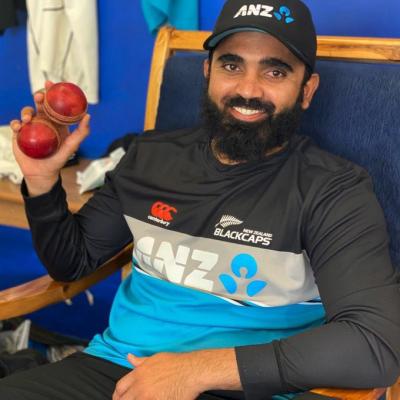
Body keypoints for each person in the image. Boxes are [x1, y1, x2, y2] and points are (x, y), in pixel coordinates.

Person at [2, 0, 400, 398]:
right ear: (208, 71)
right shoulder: (149, 157)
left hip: (249, 388)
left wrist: (196, 370)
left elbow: (373, 344)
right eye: (232, 65)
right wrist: (42, 181)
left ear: (306, 90)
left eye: (275, 71)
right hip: (118, 369)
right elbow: (71, 262)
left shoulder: (333, 190)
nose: (248, 89)